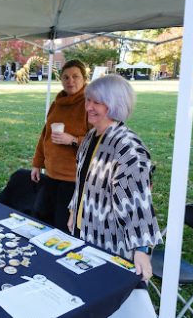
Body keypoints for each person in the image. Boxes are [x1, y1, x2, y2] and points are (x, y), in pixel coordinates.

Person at [67, 75, 163, 316]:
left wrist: (141, 249)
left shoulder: (128, 147)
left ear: (115, 104)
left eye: (97, 102)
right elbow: (83, 181)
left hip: (110, 240)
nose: (88, 107)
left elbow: (136, 201)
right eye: (88, 100)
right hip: (85, 230)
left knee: (109, 303)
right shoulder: (91, 137)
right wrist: (72, 210)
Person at [31, 59, 91, 232]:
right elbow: (45, 136)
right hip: (51, 174)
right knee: (43, 222)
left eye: (75, 76)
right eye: (65, 77)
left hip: (73, 179)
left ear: (84, 79)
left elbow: (98, 142)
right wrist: (37, 163)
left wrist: (72, 139)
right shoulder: (56, 104)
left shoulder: (89, 105)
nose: (70, 81)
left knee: (63, 227)